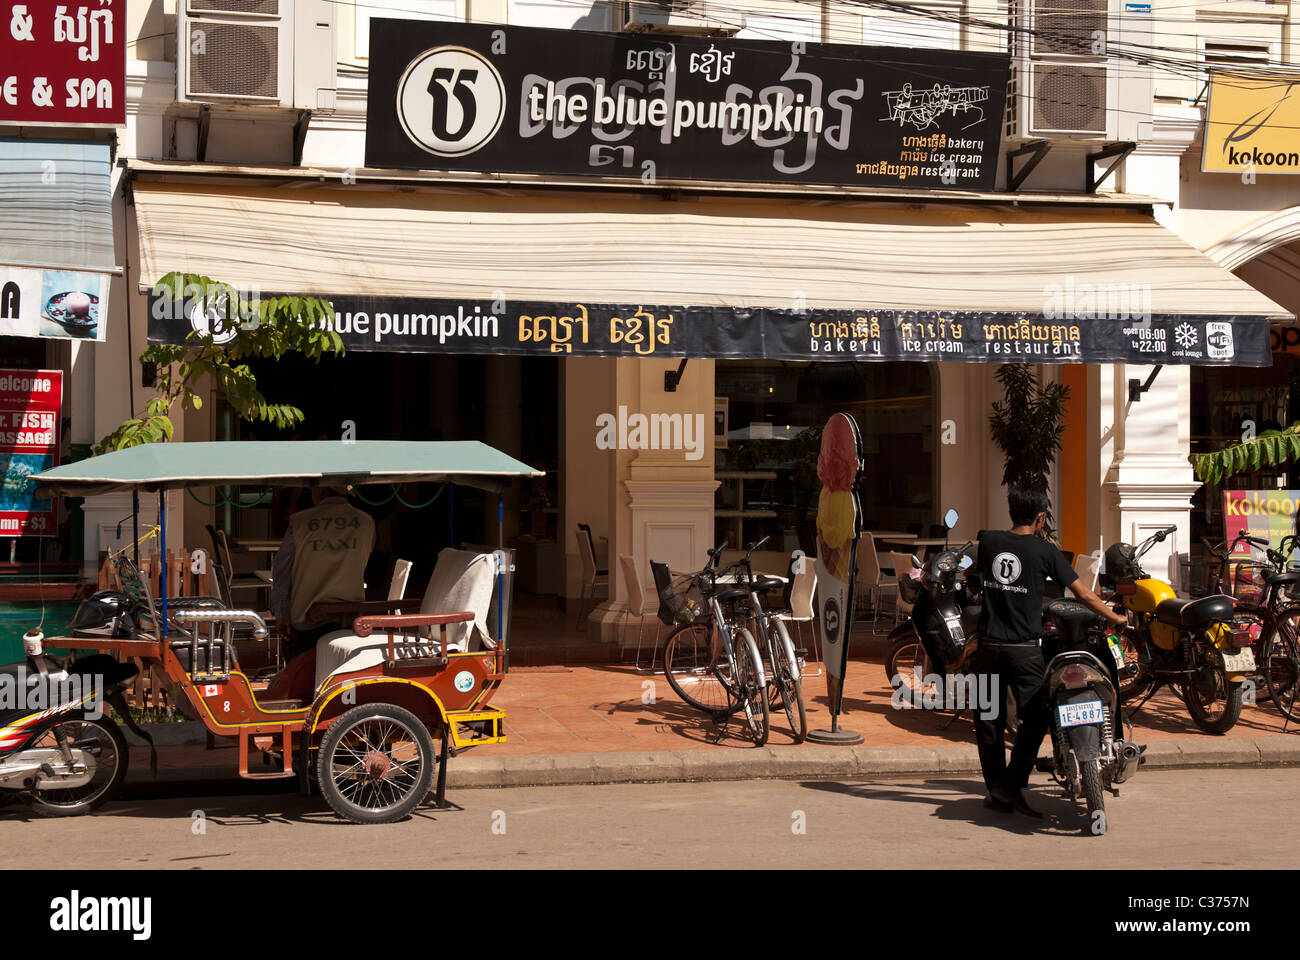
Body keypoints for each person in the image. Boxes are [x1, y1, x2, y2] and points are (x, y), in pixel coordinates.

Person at [975, 485, 1126, 817]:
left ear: (1012, 510)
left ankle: (999, 789)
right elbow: (1083, 594)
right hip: (1024, 652)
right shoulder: (1046, 553)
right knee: (1039, 716)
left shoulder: (989, 542)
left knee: (988, 720)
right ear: (1041, 517)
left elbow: (984, 579)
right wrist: (1115, 616)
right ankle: (1010, 785)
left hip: (987, 649)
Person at [271, 486, 376, 661]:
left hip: (305, 617)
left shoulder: (299, 521)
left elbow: (282, 570)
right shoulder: (366, 521)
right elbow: (365, 557)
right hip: (350, 617)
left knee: (303, 674)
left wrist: (282, 615)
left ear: (320, 491)